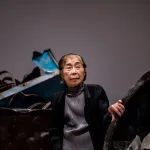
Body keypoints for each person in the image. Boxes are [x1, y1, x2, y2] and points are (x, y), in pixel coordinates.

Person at [49, 53, 125, 150]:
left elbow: (104, 122)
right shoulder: (56, 99)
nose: (74, 72)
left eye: (78, 67)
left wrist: (110, 112)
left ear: (84, 71)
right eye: (68, 68)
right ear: (62, 74)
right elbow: (55, 130)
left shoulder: (96, 91)